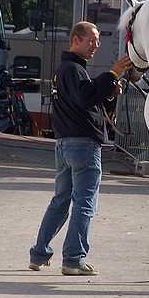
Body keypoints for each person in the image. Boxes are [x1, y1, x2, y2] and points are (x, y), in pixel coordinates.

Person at [28, 21, 133, 276]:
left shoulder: (66, 70)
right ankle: (73, 259)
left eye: (97, 41)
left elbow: (84, 100)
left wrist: (108, 92)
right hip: (83, 146)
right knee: (84, 203)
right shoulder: (73, 69)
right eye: (91, 41)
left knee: (61, 201)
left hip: (65, 145)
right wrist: (111, 75)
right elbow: (86, 97)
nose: (96, 46)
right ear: (75, 40)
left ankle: (39, 254)